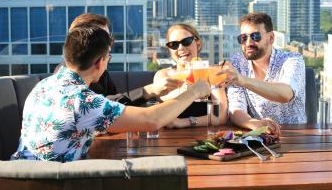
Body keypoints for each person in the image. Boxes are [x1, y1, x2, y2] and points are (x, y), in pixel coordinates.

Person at [11, 25, 210, 161]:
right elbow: (152, 120)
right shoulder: (83, 101)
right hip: (48, 182)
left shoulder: (44, 86)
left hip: (15, 176)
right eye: (108, 57)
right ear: (100, 62)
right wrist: (193, 92)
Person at [55, 13, 182, 104]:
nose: (109, 44)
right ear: (83, 40)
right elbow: (105, 108)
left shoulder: (99, 71)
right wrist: (149, 91)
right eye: (103, 38)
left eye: (109, 38)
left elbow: (115, 103)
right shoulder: (67, 82)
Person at [223, 12, 306, 137]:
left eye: (255, 36)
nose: (248, 43)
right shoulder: (237, 63)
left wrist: (243, 80)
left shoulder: (293, 59)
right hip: (259, 138)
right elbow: (236, 109)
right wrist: (254, 123)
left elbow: (286, 94)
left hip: (297, 137)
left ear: (271, 38)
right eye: (243, 38)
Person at [154, 23, 228, 128]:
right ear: (170, 50)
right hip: (168, 139)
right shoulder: (163, 75)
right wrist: (187, 90)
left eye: (186, 42)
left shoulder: (212, 72)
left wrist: (182, 122)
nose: (181, 48)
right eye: (174, 45)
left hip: (205, 137)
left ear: (198, 44)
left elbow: (220, 116)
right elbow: (160, 106)